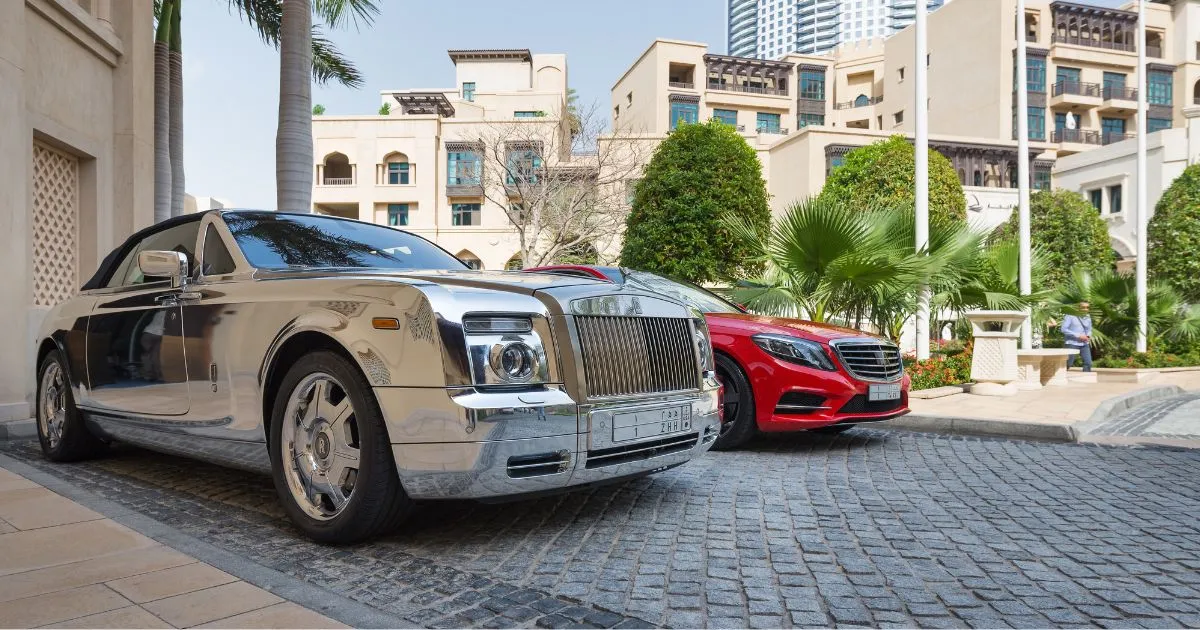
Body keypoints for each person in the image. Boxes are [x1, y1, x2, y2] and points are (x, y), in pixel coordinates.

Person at [1061, 301, 1093, 372]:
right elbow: (1063, 329)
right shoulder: (1070, 316)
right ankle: (1060, 376)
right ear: (1078, 308)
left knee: (1088, 363)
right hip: (1071, 343)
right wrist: (1078, 336)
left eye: (1087, 307)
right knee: (1068, 363)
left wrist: (1088, 336)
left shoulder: (1088, 317)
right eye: (1083, 307)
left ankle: (1085, 379)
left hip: (1084, 344)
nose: (1086, 309)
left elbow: (1089, 329)